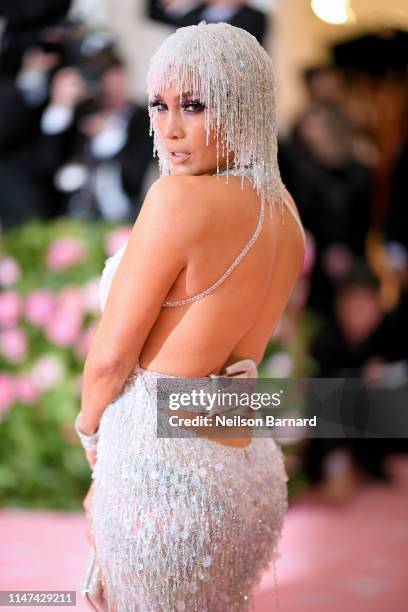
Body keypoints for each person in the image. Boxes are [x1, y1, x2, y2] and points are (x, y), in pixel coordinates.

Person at [74, 21, 305, 611]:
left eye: (196, 106)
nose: (171, 130)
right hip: (248, 472)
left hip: (166, 480)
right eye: (159, 105)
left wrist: (90, 436)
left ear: (244, 105)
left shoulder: (177, 199)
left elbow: (110, 360)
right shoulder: (285, 211)